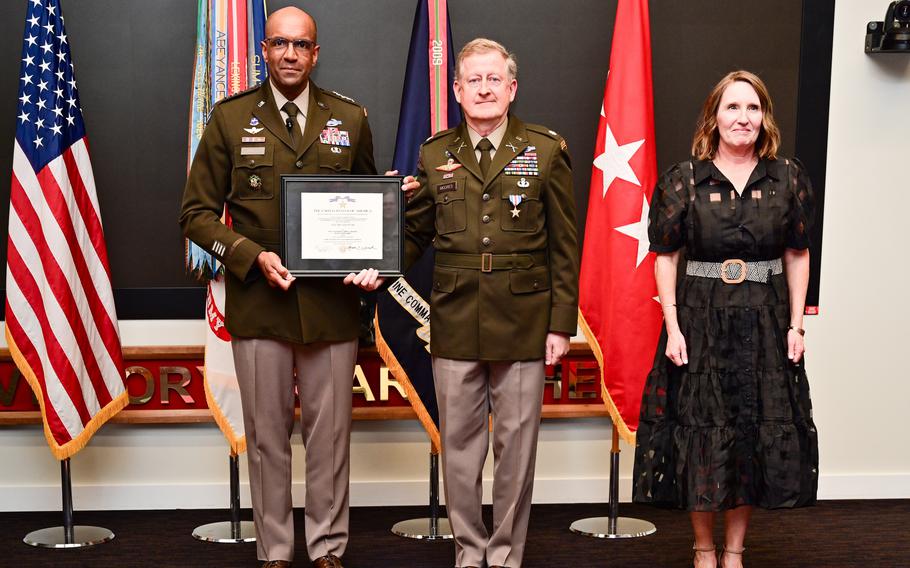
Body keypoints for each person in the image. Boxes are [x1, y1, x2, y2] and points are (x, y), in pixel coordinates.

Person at [179, 7, 413, 568]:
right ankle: (276, 551)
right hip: (260, 305)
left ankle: (328, 548)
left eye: (301, 45)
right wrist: (251, 255)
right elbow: (195, 215)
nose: (290, 54)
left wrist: (382, 212)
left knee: (330, 438)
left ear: (315, 53)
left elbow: (362, 206)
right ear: (264, 50)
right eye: (280, 44)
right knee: (266, 438)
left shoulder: (349, 118)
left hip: (330, 308)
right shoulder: (230, 119)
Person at [397, 38, 579, 568]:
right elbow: (415, 236)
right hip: (455, 320)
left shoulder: (545, 150)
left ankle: (504, 557)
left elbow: (565, 245)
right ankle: (469, 554)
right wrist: (379, 240)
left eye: (493, 79)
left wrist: (560, 324)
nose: (483, 88)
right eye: (472, 80)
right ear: (456, 90)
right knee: (459, 453)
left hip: (524, 321)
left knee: (516, 455)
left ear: (512, 87)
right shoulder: (435, 154)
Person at [632, 70, 818, 568]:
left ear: (765, 118)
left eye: (753, 109)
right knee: (702, 434)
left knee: (748, 435)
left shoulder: (787, 178)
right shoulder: (683, 179)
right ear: (714, 117)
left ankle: (734, 551)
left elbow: (798, 254)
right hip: (699, 322)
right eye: (733, 108)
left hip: (765, 321)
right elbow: (666, 257)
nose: (743, 118)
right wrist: (672, 326)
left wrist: (796, 325)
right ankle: (703, 549)